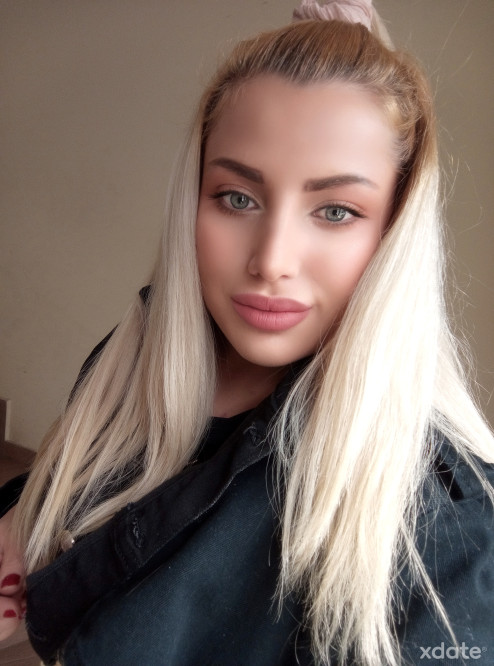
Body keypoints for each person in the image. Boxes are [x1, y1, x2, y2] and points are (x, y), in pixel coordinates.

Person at [1, 0, 494, 664]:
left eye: (336, 211)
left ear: (395, 229)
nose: (271, 261)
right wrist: (27, 520)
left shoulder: (447, 532)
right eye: (238, 198)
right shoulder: (134, 357)